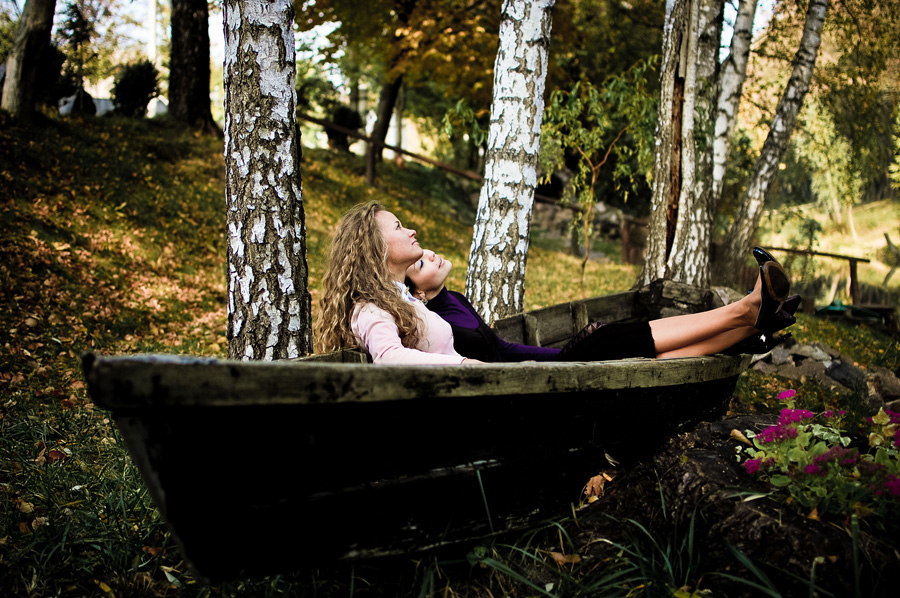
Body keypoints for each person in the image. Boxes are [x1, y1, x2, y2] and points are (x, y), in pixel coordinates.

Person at [405, 247, 800, 361]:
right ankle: (747, 312)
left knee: (645, 353)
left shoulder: (454, 299)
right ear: (417, 293)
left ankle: (750, 326)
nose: (433, 255)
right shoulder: (433, 321)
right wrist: (559, 360)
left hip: (545, 362)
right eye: (420, 263)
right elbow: (493, 357)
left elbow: (503, 345)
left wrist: (556, 352)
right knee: (605, 334)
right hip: (534, 382)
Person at [316, 201, 480, 364]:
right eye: (398, 227)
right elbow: (388, 356)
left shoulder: (401, 299)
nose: (412, 231)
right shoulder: (371, 308)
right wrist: (464, 364)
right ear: (378, 248)